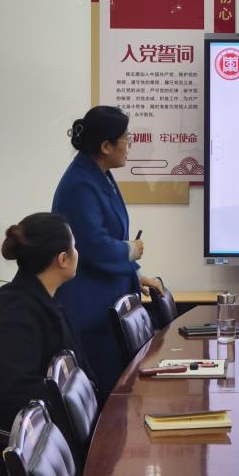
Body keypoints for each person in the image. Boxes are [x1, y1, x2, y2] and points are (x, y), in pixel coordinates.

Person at [52, 105, 163, 399]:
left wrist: (135, 275)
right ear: (105, 146)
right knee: (107, 393)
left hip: (108, 296)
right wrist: (131, 250)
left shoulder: (100, 175)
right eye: (126, 139)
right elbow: (93, 245)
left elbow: (109, 234)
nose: (130, 146)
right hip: (90, 306)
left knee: (119, 388)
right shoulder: (80, 183)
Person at [0, 212, 92, 474]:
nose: (77, 252)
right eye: (74, 246)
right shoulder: (17, 311)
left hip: (44, 439)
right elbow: (18, 391)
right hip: (13, 449)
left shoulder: (41, 299)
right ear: (62, 259)